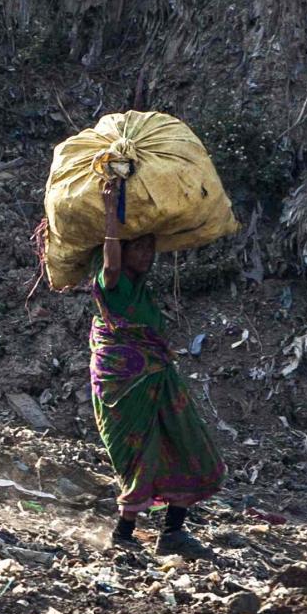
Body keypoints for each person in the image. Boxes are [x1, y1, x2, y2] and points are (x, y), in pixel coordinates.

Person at [89, 169, 224, 556]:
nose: (146, 255)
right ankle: (123, 534)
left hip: (159, 382)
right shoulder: (111, 283)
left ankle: (173, 532)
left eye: (151, 249)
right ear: (122, 249)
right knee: (139, 454)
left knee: (185, 442)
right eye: (139, 248)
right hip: (122, 388)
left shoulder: (142, 293)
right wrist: (111, 213)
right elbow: (111, 263)